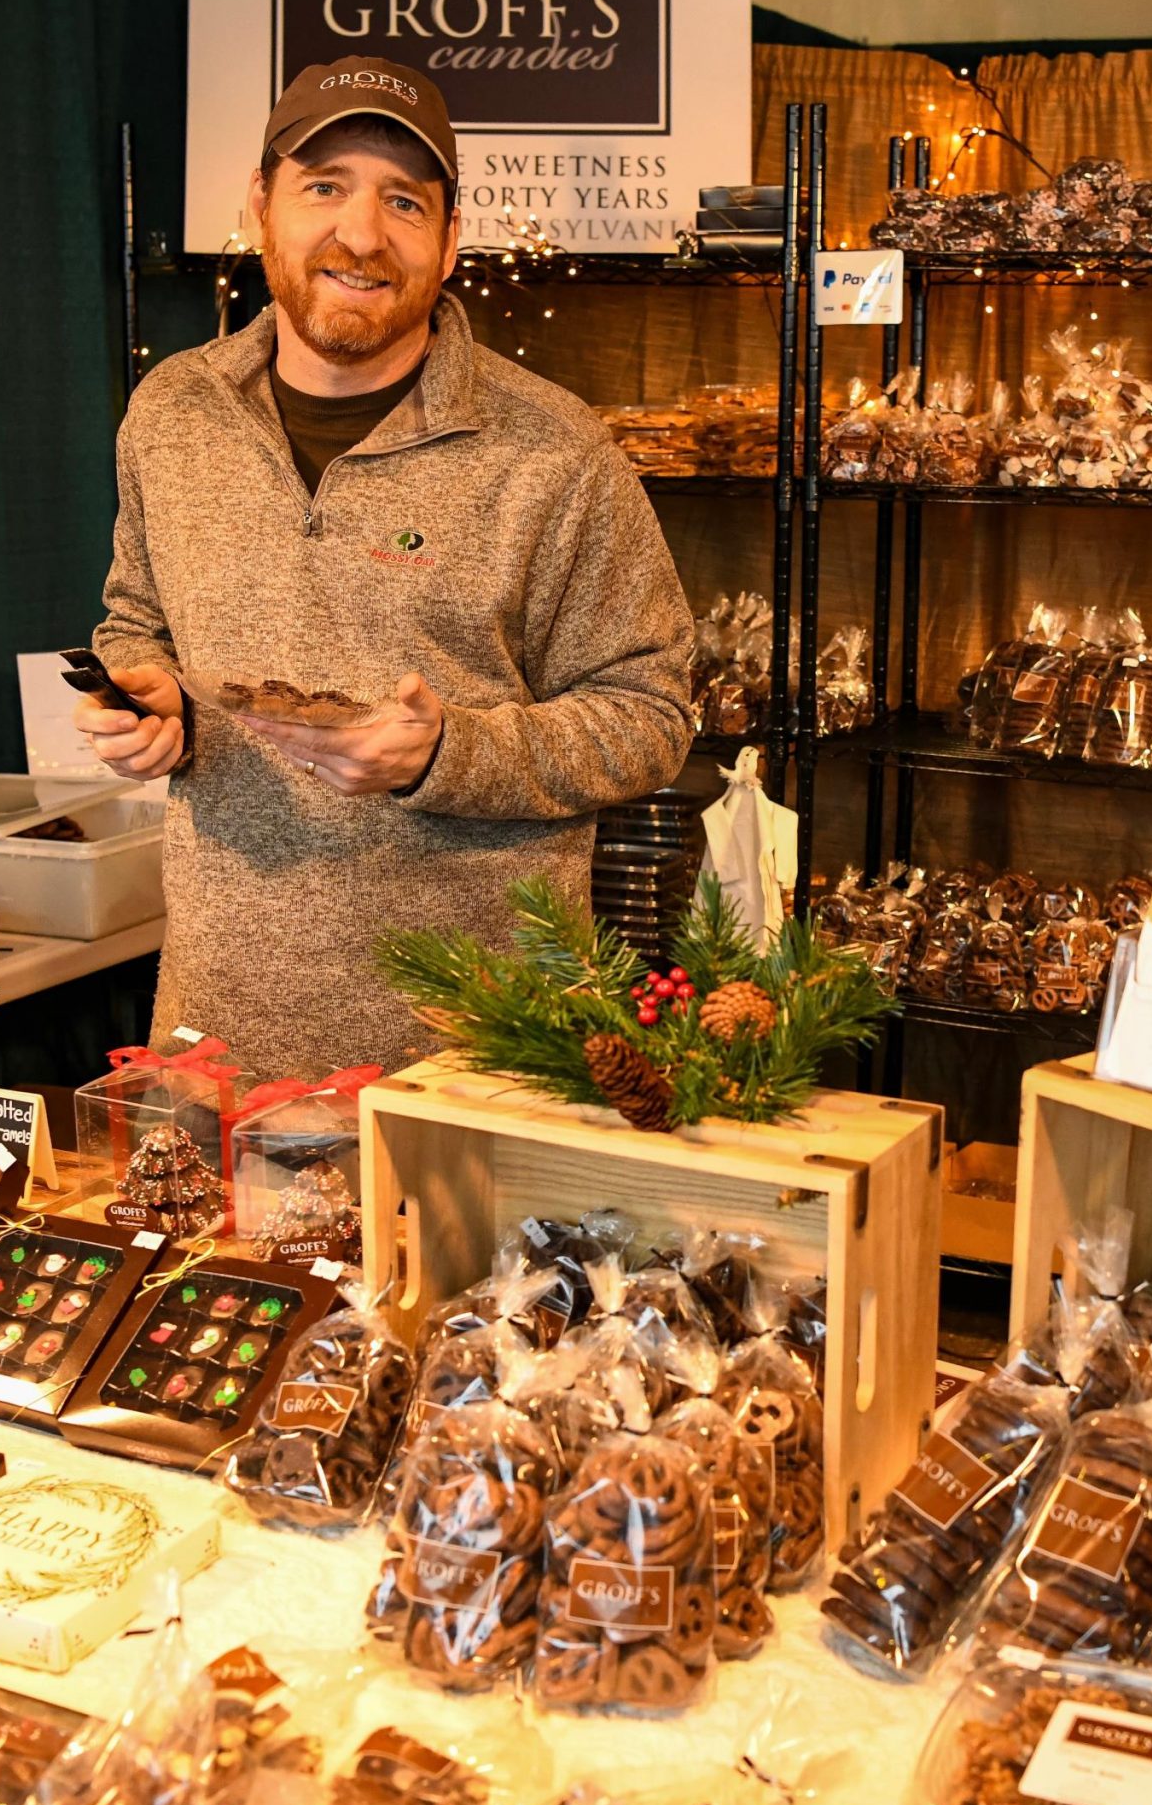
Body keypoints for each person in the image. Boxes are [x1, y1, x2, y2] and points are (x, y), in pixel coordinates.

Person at [76, 56, 694, 1079]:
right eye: (324, 186)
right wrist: (151, 699)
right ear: (261, 206)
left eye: (404, 201)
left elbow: (651, 714)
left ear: (450, 242)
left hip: (476, 1054)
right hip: (220, 1035)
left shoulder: (554, 449)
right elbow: (137, 617)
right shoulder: (173, 411)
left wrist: (447, 753)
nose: (361, 235)